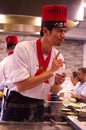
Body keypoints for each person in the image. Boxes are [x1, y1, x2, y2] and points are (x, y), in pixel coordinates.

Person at [2, 5, 67, 122]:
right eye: (59, 31)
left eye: (64, 31)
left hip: (39, 107)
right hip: (18, 106)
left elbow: (53, 90)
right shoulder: (24, 48)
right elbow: (22, 86)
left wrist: (57, 83)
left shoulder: (58, 56)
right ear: (46, 31)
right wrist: (51, 72)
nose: (63, 35)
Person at [0, 35, 18, 119]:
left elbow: (1, 84)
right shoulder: (25, 60)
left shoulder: (4, 63)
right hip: (26, 99)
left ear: (7, 48)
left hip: (9, 98)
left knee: (6, 124)